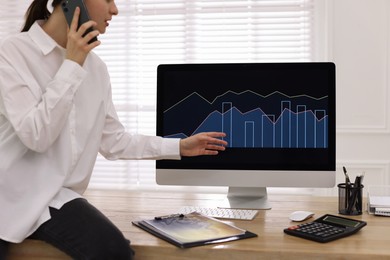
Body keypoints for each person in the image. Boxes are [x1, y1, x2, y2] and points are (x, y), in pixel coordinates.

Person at [0, 0, 227, 259]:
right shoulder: (13, 53)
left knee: (114, 251)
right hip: (9, 197)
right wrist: (72, 64)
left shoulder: (96, 69)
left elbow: (114, 141)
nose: (115, 10)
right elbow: (36, 136)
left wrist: (179, 146)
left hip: (55, 199)